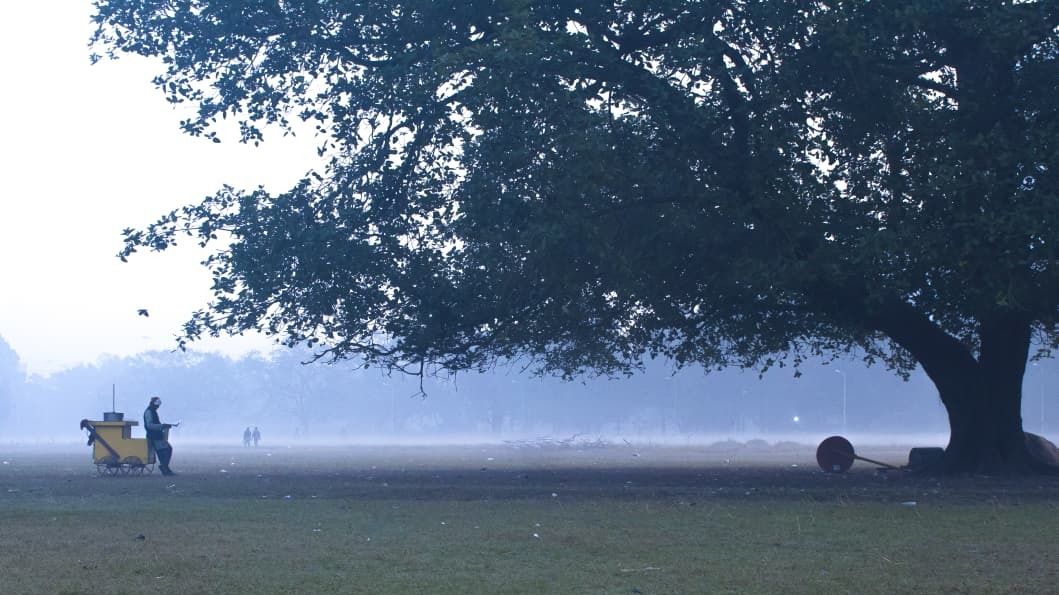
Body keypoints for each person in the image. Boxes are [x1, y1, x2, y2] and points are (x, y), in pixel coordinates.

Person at [144, 396, 179, 476]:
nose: (158, 407)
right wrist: (161, 426)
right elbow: (149, 425)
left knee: (162, 452)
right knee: (167, 450)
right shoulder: (149, 412)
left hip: (156, 436)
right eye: (157, 406)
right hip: (154, 436)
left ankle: (165, 468)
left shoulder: (151, 411)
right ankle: (164, 468)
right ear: (154, 405)